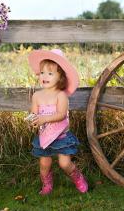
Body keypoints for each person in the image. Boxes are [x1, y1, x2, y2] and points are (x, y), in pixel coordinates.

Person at [27, 49, 88, 195]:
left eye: (50, 73)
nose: (44, 76)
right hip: (45, 136)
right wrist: (33, 120)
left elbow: (61, 115)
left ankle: (78, 178)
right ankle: (47, 185)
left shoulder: (61, 96)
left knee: (64, 163)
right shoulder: (37, 96)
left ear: (60, 77)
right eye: (42, 73)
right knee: (44, 163)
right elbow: (34, 113)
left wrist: (44, 118)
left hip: (61, 137)